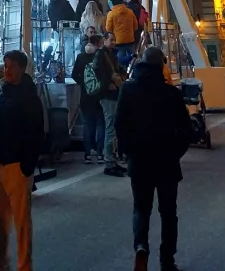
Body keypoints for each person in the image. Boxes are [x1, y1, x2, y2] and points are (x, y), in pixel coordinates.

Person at [115, 46, 192, 271]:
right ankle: (167, 260)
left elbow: (120, 124)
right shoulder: (171, 94)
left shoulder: (128, 90)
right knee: (168, 213)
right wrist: (176, 152)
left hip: (139, 161)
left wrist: (129, 151)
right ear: (162, 64)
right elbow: (185, 129)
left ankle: (141, 246)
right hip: (167, 162)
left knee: (141, 209)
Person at [0, 49, 44, 271]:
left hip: (17, 166)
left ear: (21, 68)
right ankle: (3, 262)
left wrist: (27, 165)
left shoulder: (29, 98)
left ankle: (24, 265)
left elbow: (36, 133)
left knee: (21, 220)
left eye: (11, 67)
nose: (7, 70)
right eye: (5, 66)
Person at [94, 31, 126, 176]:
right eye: (111, 39)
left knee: (113, 128)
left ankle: (113, 160)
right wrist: (107, 84)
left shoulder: (111, 54)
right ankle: (109, 162)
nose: (113, 42)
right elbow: (97, 70)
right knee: (110, 127)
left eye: (114, 39)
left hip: (113, 94)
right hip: (107, 95)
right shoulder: (101, 54)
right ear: (104, 40)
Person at [72, 34, 105, 164]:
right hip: (100, 95)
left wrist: (84, 84)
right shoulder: (101, 56)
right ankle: (100, 153)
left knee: (87, 124)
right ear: (98, 44)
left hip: (85, 96)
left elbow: (74, 75)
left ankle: (87, 154)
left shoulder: (81, 57)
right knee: (101, 124)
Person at [106, 0, 138, 66]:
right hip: (130, 40)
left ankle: (122, 72)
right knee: (133, 60)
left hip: (118, 42)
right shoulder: (130, 12)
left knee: (119, 62)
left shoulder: (111, 14)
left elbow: (108, 29)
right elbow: (136, 26)